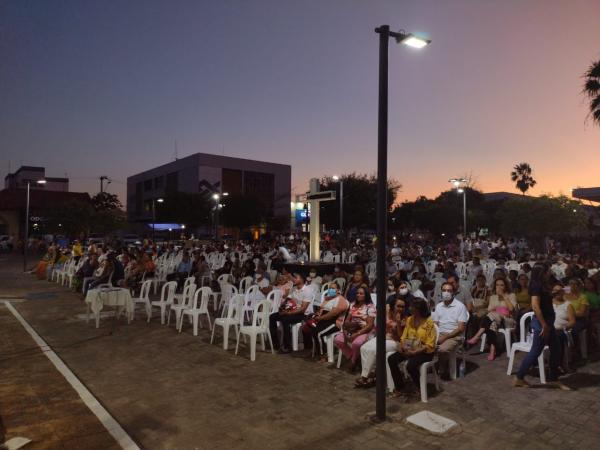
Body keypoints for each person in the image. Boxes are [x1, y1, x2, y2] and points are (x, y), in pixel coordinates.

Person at [514, 265, 569, 389]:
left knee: (556, 349)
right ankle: (519, 377)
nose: (550, 271)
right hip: (542, 323)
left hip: (547, 322)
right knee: (535, 351)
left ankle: (553, 377)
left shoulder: (542, 284)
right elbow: (535, 306)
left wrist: (554, 293)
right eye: (547, 269)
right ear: (542, 272)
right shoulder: (536, 285)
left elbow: (545, 297)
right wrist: (544, 325)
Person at [387, 298, 436, 398]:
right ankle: (400, 387)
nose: (409, 308)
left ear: (418, 309)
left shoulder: (429, 323)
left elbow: (430, 344)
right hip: (410, 348)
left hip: (425, 352)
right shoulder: (410, 320)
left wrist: (415, 352)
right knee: (391, 359)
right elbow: (404, 336)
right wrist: (402, 346)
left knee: (411, 365)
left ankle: (419, 387)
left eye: (411, 307)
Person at [355, 296, 405, 388]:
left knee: (374, 350)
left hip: (395, 341)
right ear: (393, 306)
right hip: (383, 337)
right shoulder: (387, 312)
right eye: (398, 306)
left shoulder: (404, 318)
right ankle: (372, 374)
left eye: (402, 307)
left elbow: (401, 337)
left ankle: (365, 377)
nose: (400, 309)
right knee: (364, 348)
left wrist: (398, 323)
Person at [467, 277, 516, 360]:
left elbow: (511, 309)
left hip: (508, 321)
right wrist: (501, 310)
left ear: (506, 286)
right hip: (495, 319)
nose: (499, 287)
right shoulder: (493, 297)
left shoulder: (511, 295)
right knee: (492, 322)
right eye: (497, 285)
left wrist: (504, 296)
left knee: (491, 316)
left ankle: (478, 335)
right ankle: (493, 349)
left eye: (502, 285)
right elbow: (490, 309)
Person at [301, 282, 348, 361]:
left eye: (333, 288)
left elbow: (332, 314)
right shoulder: (327, 298)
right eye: (330, 288)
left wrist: (320, 318)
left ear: (338, 290)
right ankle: (312, 350)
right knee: (306, 328)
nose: (330, 290)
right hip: (323, 320)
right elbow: (321, 309)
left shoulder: (340, 300)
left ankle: (322, 355)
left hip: (334, 322)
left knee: (318, 333)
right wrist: (316, 315)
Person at [334, 286, 375, 372]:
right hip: (352, 328)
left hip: (364, 330)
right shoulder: (352, 305)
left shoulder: (370, 307)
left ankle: (353, 362)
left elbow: (370, 325)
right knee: (338, 339)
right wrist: (347, 331)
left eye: (361, 293)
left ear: (366, 295)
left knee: (356, 343)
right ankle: (354, 357)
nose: (358, 295)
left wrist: (357, 334)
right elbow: (348, 320)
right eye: (357, 293)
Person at [269, 274, 313, 353]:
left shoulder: (307, 290)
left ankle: (287, 346)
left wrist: (289, 313)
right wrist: (282, 308)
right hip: (293, 311)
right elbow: (288, 300)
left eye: (296, 277)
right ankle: (276, 344)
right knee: (272, 317)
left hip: (304, 315)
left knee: (285, 319)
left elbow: (303, 308)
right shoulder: (294, 289)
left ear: (302, 279)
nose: (293, 279)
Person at [431, 282, 468, 378]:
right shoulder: (439, 306)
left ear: (453, 293)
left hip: (455, 335)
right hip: (440, 333)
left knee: (442, 349)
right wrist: (434, 336)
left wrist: (445, 337)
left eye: (449, 290)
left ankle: (442, 365)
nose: (446, 292)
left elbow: (461, 328)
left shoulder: (460, 306)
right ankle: (430, 366)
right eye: (444, 290)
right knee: (424, 344)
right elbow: (435, 323)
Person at [552, 283, 575, 370]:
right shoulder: (548, 303)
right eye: (555, 291)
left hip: (561, 330)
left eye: (559, 291)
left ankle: (558, 364)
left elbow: (572, 321)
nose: (557, 293)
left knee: (558, 336)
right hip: (549, 329)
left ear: (563, 292)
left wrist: (564, 327)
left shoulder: (568, 304)